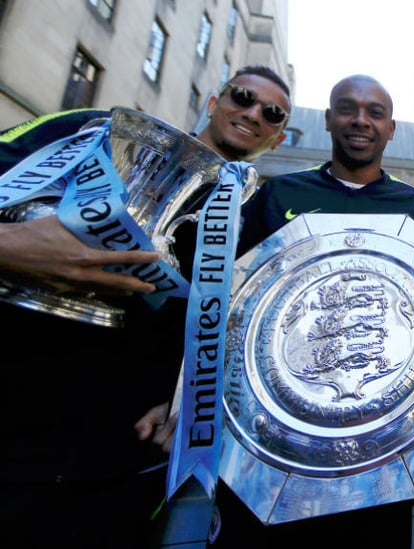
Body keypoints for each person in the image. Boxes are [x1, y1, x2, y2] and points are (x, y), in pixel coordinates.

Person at [208, 74, 414, 548]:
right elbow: (229, 309)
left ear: (392, 129)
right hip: (272, 454)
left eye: (375, 112)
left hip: (378, 462)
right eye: (347, 108)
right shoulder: (278, 195)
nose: (360, 121)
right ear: (329, 119)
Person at [0, 65, 292, 549]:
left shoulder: (257, 216)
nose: (253, 112)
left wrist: (186, 398)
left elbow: (241, 329)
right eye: (241, 96)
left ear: (278, 138)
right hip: (14, 428)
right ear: (213, 102)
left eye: (273, 112)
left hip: (122, 464)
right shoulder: (93, 132)